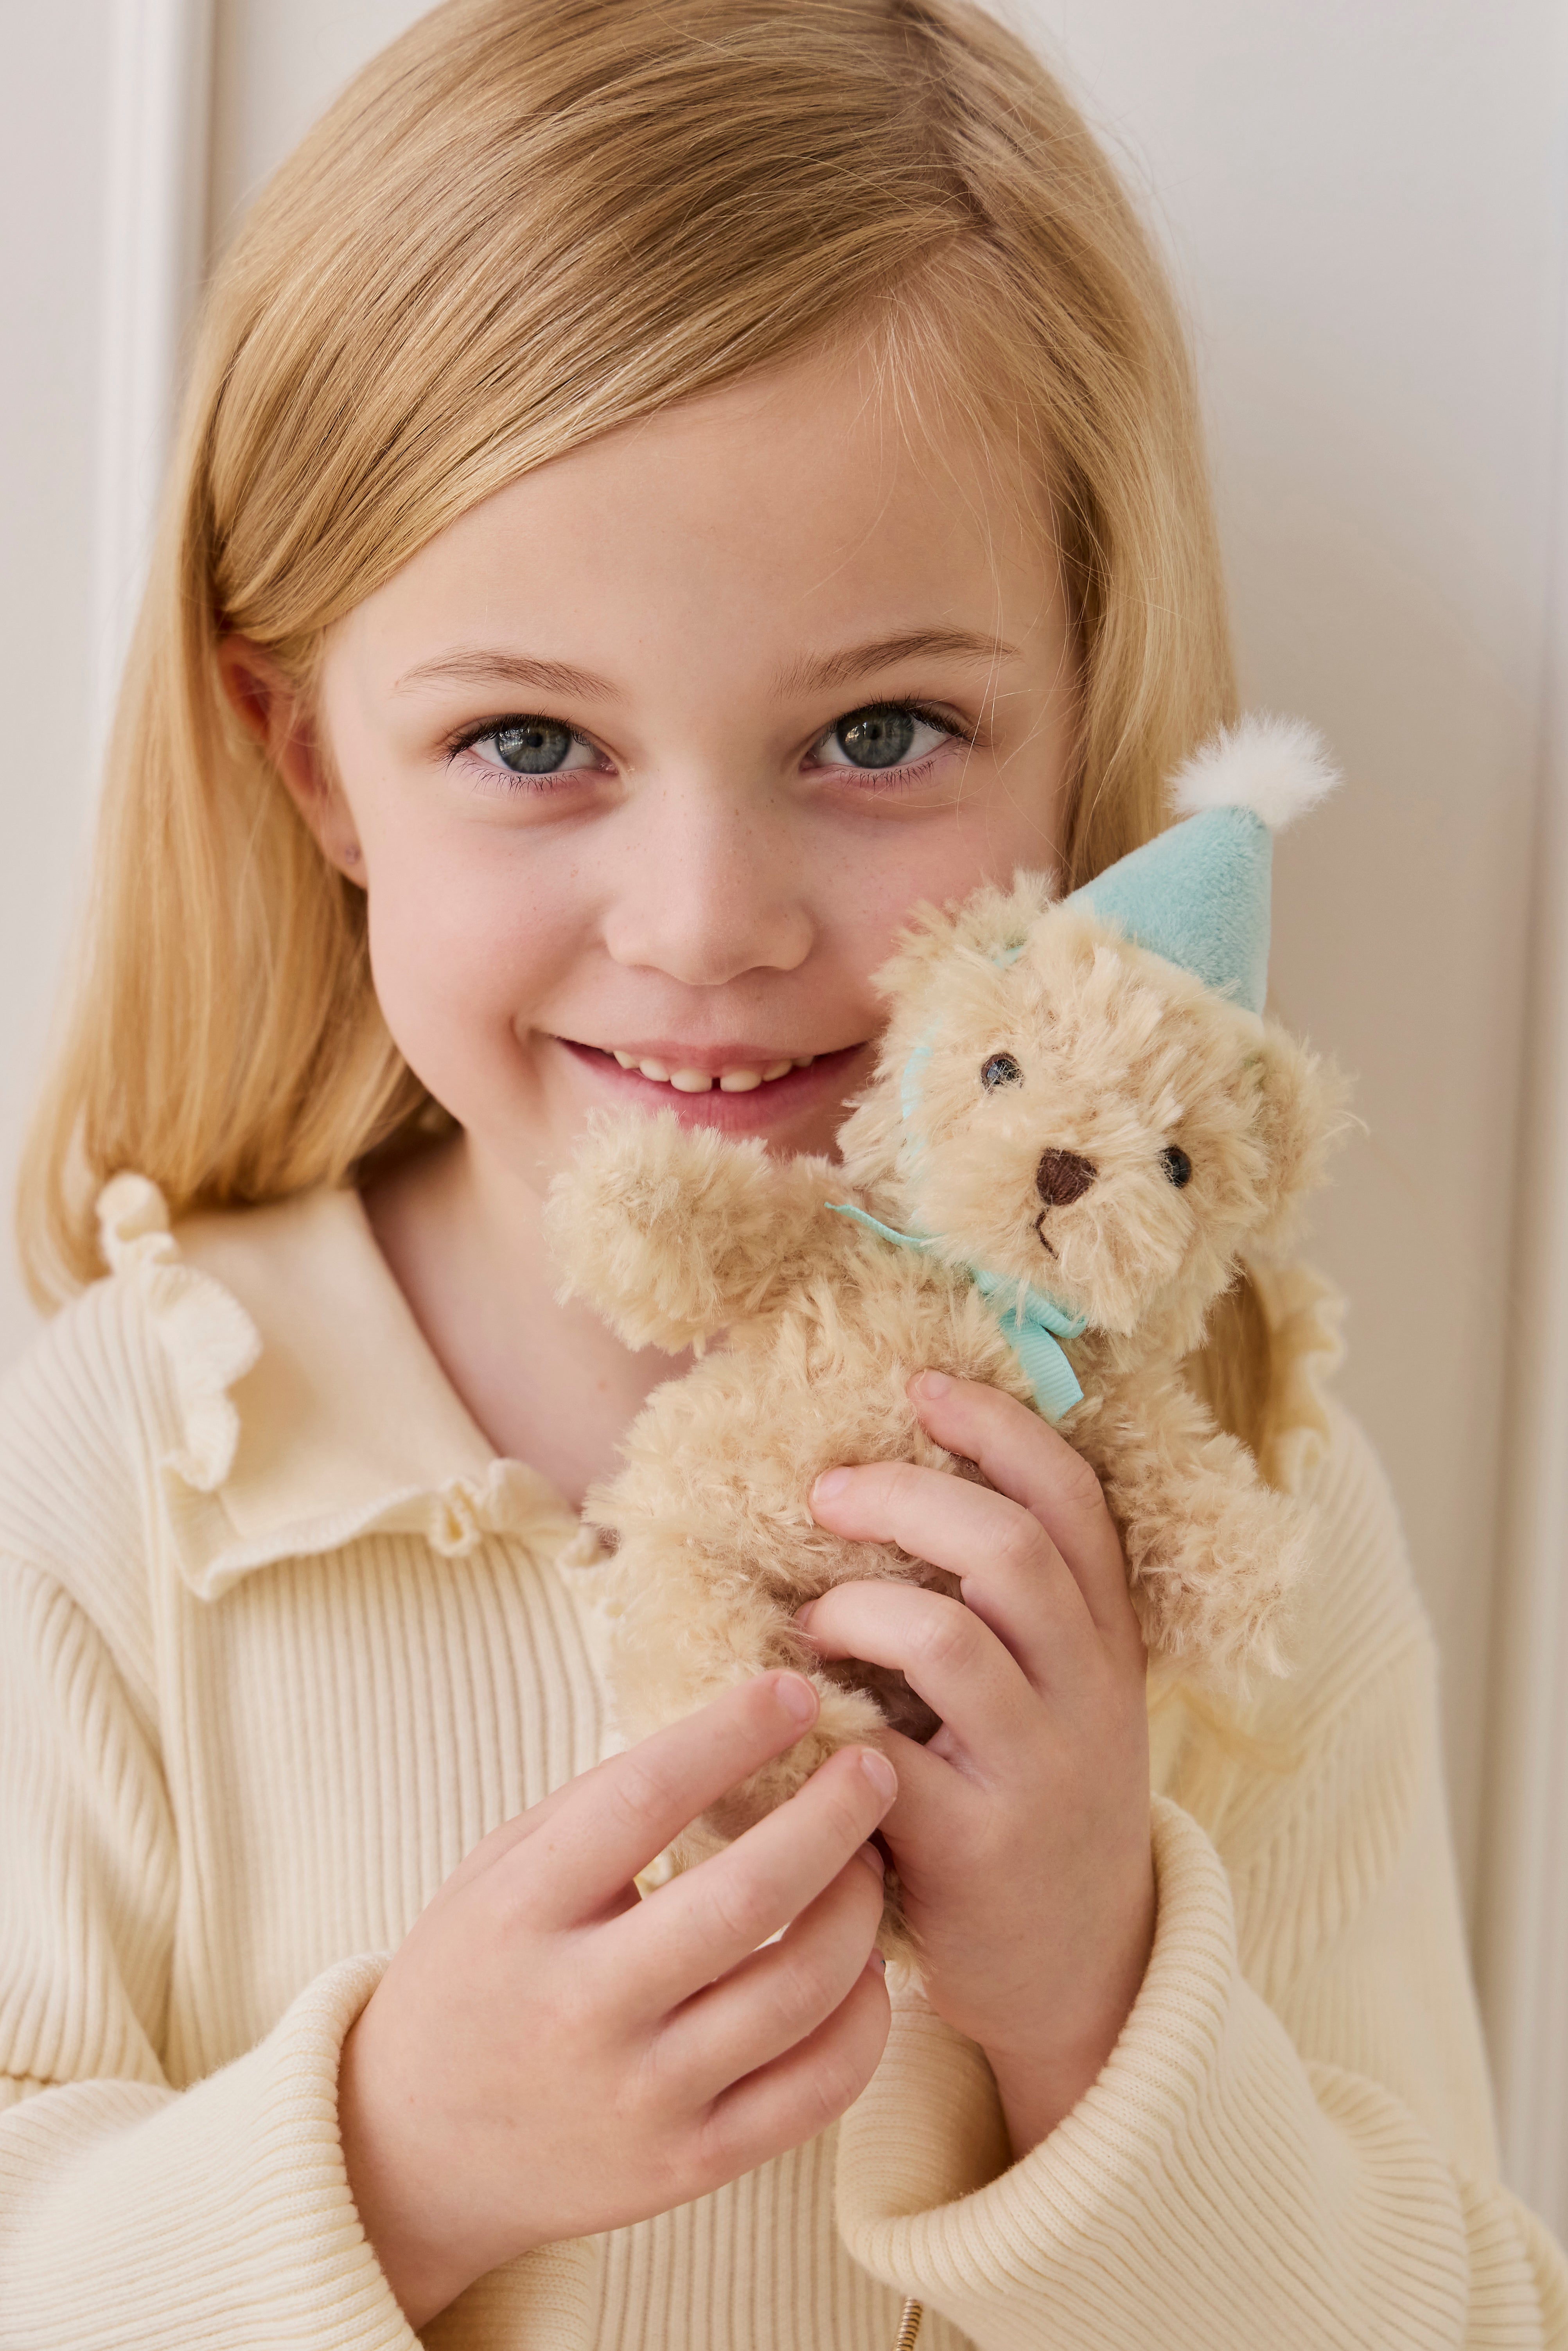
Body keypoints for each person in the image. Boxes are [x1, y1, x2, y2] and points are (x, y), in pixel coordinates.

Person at [2, 1, 1561, 2344]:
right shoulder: (131, 1471)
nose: (712, 922)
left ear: (1076, 734)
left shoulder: (1223, 1512)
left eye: (879, 733)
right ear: (310, 757)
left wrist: (1098, 2006)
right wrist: (392, 2165)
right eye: (531, 741)